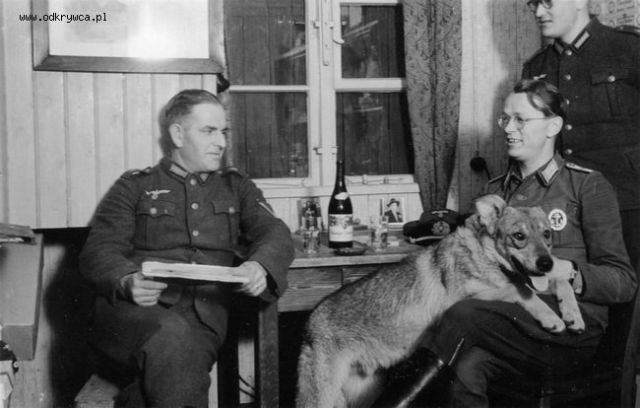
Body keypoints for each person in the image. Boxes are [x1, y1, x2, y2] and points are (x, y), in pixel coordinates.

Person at [373, 79, 636, 407]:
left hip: (570, 334)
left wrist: (567, 271)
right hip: (503, 325)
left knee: (462, 312)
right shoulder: (495, 192)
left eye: (520, 120)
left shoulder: (586, 186)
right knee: (464, 370)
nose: (509, 128)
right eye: (505, 119)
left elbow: (623, 281)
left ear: (553, 126)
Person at [79, 89, 294, 408]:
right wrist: (126, 280)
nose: (221, 142)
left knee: (171, 360)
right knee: (174, 340)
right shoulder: (135, 186)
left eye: (223, 132)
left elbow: (274, 231)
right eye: (209, 131)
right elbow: (99, 249)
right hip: (133, 311)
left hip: (204, 316)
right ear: (178, 134)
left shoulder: (237, 187)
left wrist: (260, 265)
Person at [522, 0, 640, 269]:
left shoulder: (629, 48)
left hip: (628, 203)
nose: (538, 12)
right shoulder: (536, 67)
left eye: (547, 2)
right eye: (533, 3)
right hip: (565, 207)